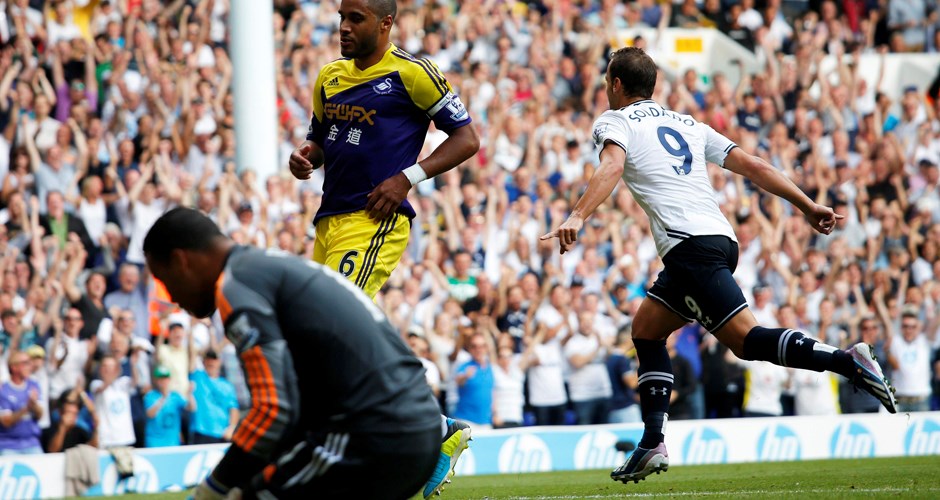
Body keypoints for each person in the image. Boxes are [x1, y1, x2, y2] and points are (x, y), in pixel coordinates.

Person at [540, 47, 897, 485]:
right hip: (720, 240)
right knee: (646, 329)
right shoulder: (687, 123)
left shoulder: (613, 122)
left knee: (747, 342)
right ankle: (652, 440)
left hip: (690, 249)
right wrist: (805, 203)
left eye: (605, 80)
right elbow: (753, 164)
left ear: (615, 84)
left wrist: (578, 214)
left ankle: (847, 361)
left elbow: (612, 165)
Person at [287, 0, 478, 496]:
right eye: (341, 17)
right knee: (322, 337)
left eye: (356, 18)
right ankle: (437, 430)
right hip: (328, 220)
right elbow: (323, 139)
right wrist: (307, 156)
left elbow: (467, 138)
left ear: (385, 23)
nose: (344, 27)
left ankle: (366, 448)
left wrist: (408, 177)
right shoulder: (329, 75)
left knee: (333, 329)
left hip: (374, 220)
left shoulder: (413, 73)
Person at [143, 208, 444, 499]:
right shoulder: (267, 268)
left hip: (375, 434)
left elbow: (273, 410)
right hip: (417, 426)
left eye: (165, 281)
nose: (172, 297)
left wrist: (213, 487)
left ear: (181, 261)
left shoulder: (236, 285)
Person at [189, 349, 239, 444]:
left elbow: (234, 409)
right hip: (200, 431)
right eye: (208, 359)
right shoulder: (197, 376)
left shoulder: (227, 385)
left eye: (214, 359)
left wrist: (231, 428)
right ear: (203, 362)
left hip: (221, 433)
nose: (211, 362)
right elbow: (192, 354)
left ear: (219, 362)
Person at [0, 351, 43, 455]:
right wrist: (26, 408)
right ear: (14, 367)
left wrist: (34, 405)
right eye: (26, 363)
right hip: (9, 445)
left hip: (32, 442)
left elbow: (40, 415)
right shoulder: (3, 390)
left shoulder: (33, 385)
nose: (30, 366)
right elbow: (6, 421)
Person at [144, 365, 194, 448]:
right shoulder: (150, 396)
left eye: (165, 378)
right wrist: (163, 398)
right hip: (154, 443)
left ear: (169, 379)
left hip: (172, 442)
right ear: (156, 380)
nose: (163, 381)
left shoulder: (175, 396)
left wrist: (190, 394)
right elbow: (150, 414)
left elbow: (191, 408)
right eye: (160, 379)